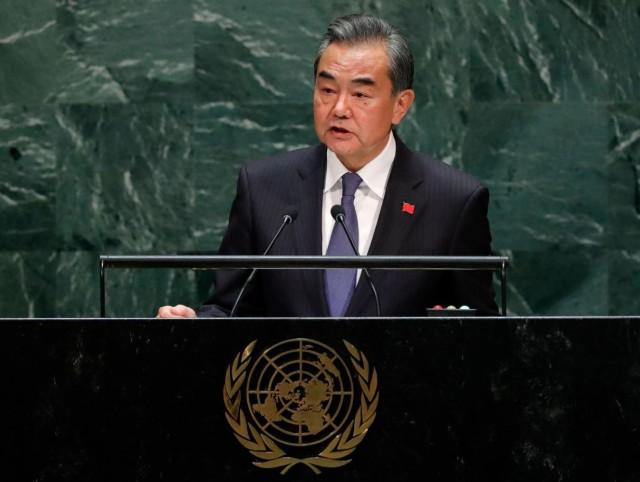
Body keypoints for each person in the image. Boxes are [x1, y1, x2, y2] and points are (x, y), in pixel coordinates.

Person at [157, 14, 497, 319]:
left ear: (400, 105)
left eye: (361, 95)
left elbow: (480, 331)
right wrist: (194, 326)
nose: (339, 108)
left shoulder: (452, 201)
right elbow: (230, 309)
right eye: (327, 90)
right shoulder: (263, 187)